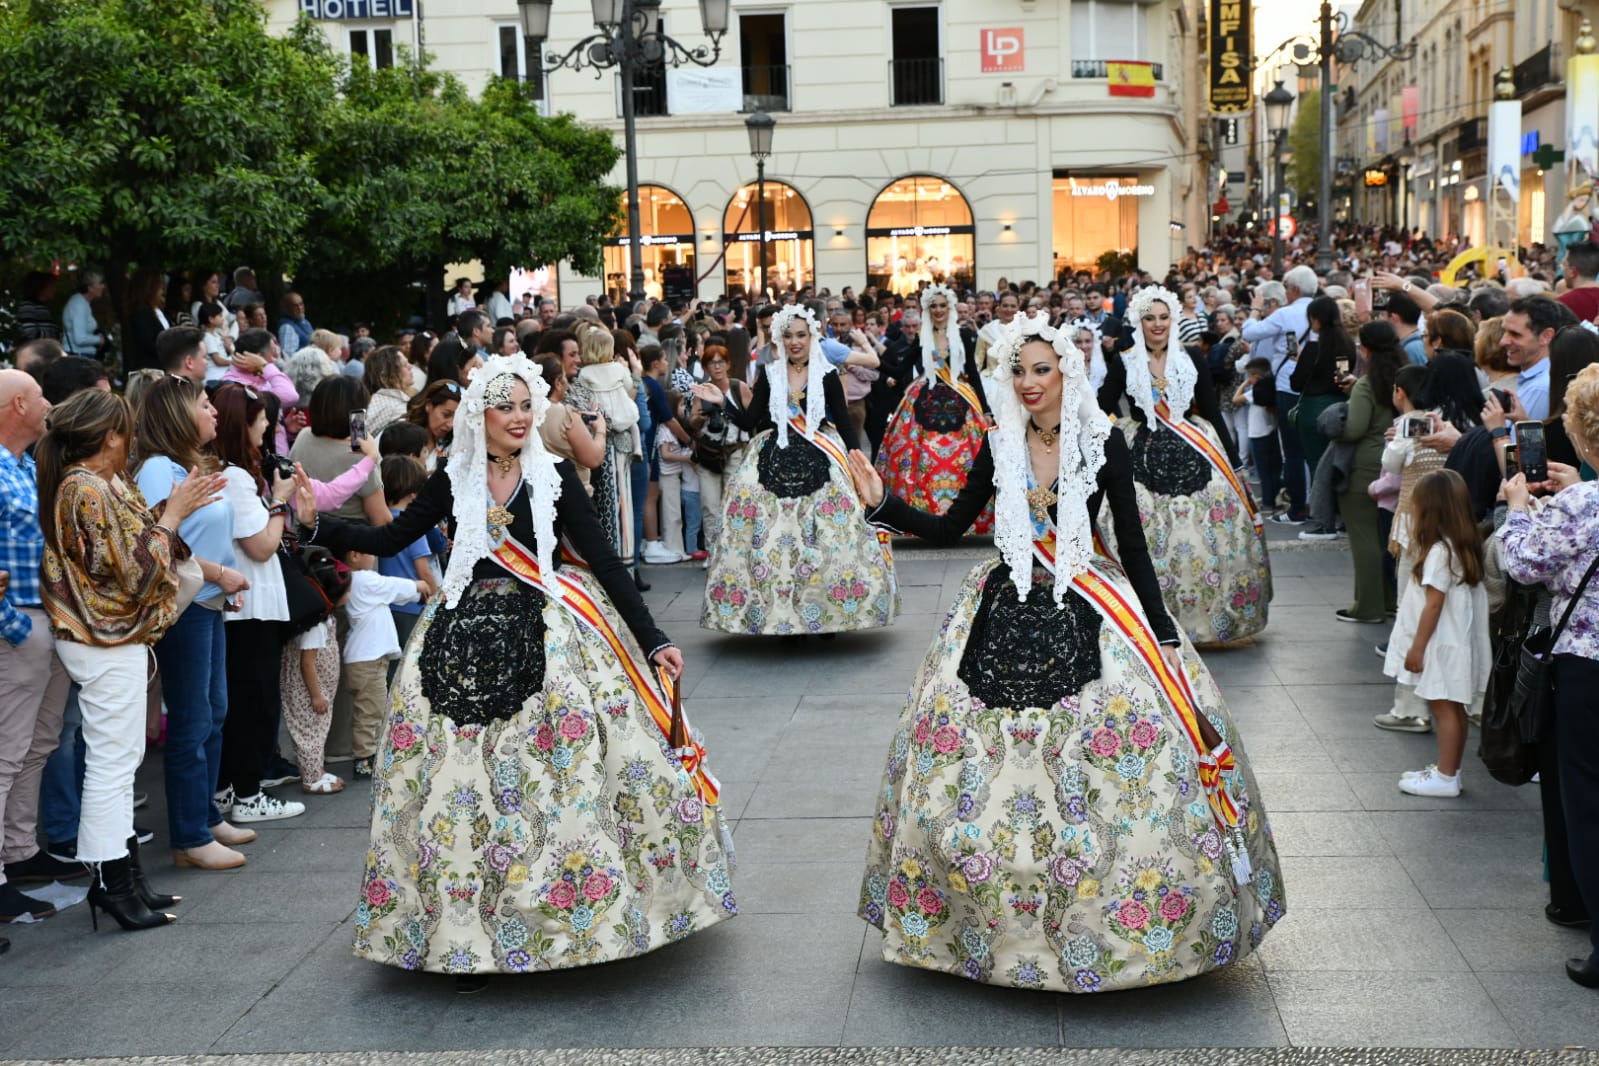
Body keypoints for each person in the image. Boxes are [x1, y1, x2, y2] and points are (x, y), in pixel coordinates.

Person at [846, 311, 1285, 992]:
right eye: (1016, 370)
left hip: (1093, 603)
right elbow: (951, 526)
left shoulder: (1102, 442)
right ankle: (985, 924)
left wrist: (1164, 635)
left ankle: (1118, 926)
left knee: (1122, 762)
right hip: (1002, 606)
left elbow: (1132, 544)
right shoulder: (997, 445)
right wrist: (882, 505)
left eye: (1040, 369)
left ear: (1065, 373)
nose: (1027, 382)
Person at [294, 353, 733, 982]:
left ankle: (574, 910)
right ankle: (466, 917)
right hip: (460, 638)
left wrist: (654, 636)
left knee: (572, 768)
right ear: (480, 415)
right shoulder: (453, 476)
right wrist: (319, 525)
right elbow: (392, 539)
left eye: (527, 405)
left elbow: (606, 560)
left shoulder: (553, 475)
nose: (521, 418)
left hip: (550, 633)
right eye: (507, 407)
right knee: (455, 784)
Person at [38, 388, 223, 929]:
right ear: (109, 436)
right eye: (127, 431)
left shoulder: (86, 484)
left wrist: (171, 511)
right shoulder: (86, 488)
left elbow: (130, 553)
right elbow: (139, 572)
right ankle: (113, 886)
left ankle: (126, 879)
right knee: (111, 769)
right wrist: (176, 514)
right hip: (105, 640)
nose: (134, 440)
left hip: (109, 639)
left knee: (116, 765)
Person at [699, 306, 897, 636]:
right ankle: (779, 617)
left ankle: (829, 613)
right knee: (771, 535)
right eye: (788, 335)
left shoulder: (827, 374)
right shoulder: (770, 374)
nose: (794, 342)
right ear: (779, 337)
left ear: (812, 337)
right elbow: (750, 423)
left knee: (831, 532)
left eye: (801, 335)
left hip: (821, 451)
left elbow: (844, 422)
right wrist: (723, 402)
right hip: (773, 452)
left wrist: (857, 460)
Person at [131, 378, 256, 869]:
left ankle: (204, 817)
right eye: (204, 406)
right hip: (184, 608)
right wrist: (223, 574)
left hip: (205, 604)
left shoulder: (187, 465)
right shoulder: (159, 470)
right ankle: (188, 836)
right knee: (191, 720)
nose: (214, 413)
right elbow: (164, 541)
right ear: (178, 415)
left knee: (213, 713)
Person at [1098, 286, 1270, 645]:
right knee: (1143, 530)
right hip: (1141, 447)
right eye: (1150, 318)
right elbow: (1102, 407)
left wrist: (1234, 464)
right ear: (1138, 322)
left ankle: (1207, 621)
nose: (1158, 324)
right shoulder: (1124, 360)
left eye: (1163, 317)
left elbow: (1209, 408)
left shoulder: (1191, 356)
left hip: (1194, 443)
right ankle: (1151, 621)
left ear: (1173, 319)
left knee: (1212, 532)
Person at [1501, 363, 1599, 988]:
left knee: (1587, 802)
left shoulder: (1583, 503)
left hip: (1586, 671)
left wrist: (1518, 507)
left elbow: (1522, 563)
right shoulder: (1584, 497)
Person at [0, 371, 79, 922]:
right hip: (21, 626)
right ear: (19, 403)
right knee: (7, 751)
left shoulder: (27, 465)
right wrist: (12, 625)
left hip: (45, 622)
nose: (51, 403)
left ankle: (19, 852)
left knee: (38, 743)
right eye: (43, 395)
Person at [1383, 470, 1490, 797]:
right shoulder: (1460, 546)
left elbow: (1433, 605)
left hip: (1442, 643)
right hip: (1452, 641)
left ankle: (1446, 777)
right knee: (1451, 708)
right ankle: (1449, 771)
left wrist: (1416, 649)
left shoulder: (1440, 553)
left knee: (1444, 707)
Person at [875, 285, 992, 532]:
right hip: (924, 399)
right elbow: (899, 370)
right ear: (927, 309)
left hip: (961, 398)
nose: (938, 310)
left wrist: (986, 409)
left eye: (942, 306)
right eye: (933, 306)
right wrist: (872, 358)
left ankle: (966, 515)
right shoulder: (922, 337)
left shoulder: (964, 336)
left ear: (949, 308)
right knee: (914, 455)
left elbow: (973, 373)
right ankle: (921, 513)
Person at [1334, 321, 1403, 624]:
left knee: (1363, 536)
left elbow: (1353, 429)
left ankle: (1368, 606)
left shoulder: (1366, 384)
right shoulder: (1403, 376)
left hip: (1365, 466)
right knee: (1385, 535)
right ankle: (1389, 599)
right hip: (1398, 461)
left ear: (1365, 348)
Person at [339, 542, 425, 780]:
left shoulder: (358, 582)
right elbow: (396, 587)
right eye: (369, 552)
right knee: (370, 711)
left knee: (372, 708)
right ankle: (365, 758)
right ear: (355, 554)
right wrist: (421, 584)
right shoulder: (364, 580)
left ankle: (370, 753)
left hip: (367, 658)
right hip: (368, 660)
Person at [1240, 270, 1316, 522]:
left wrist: (1254, 310)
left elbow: (1249, 332)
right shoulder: (1322, 311)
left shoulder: (1286, 313)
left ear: (1293, 289)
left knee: (1292, 452)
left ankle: (1298, 508)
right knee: (1312, 450)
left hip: (1287, 387)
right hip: (1315, 385)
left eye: (1286, 287)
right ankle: (1313, 504)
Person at [564, 322, 639, 566]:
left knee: (605, 499)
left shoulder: (584, 376)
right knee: (623, 499)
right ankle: (625, 556)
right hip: (624, 439)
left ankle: (609, 556)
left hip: (598, 439)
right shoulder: (619, 369)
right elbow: (631, 390)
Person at [280, 555, 351, 797]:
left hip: (318, 690)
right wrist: (316, 695)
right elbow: (307, 663)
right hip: (310, 691)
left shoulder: (323, 618)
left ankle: (317, 772)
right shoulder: (315, 625)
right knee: (309, 733)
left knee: (317, 730)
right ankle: (311, 779)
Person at [290, 376, 390, 526]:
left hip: (304, 533)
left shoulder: (303, 436)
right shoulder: (361, 457)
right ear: (357, 414)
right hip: (349, 540)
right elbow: (381, 520)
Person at [374, 455, 437, 688]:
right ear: (413, 493)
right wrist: (436, 594)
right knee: (406, 663)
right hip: (411, 604)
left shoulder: (380, 521)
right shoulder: (412, 526)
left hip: (385, 602)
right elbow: (424, 569)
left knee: (387, 664)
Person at [1233, 356, 1281, 518]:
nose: (1248, 379)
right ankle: (1272, 499)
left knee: (1263, 471)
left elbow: (1235, 399)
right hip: (1271, 432)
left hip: (1257, 434)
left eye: (1249, 376)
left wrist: (1244, 384)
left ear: (1256, 377)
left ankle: (1267, 503)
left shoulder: (1254, 392)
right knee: (1273, 469)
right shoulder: (1271, 388)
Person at [363, 346, 416, 438]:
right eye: (405, 365)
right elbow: (359, 440)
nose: (410, 366)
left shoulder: (371, 399)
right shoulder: (393, 405)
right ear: (390, 373)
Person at [62, 270, 106, 358]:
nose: (103, 286)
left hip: (80, 355)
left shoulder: (82, 303)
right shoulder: (79, 305)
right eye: (100, 283)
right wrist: (99, 339)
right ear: (90, 287)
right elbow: (80, 339)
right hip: (78, 356)